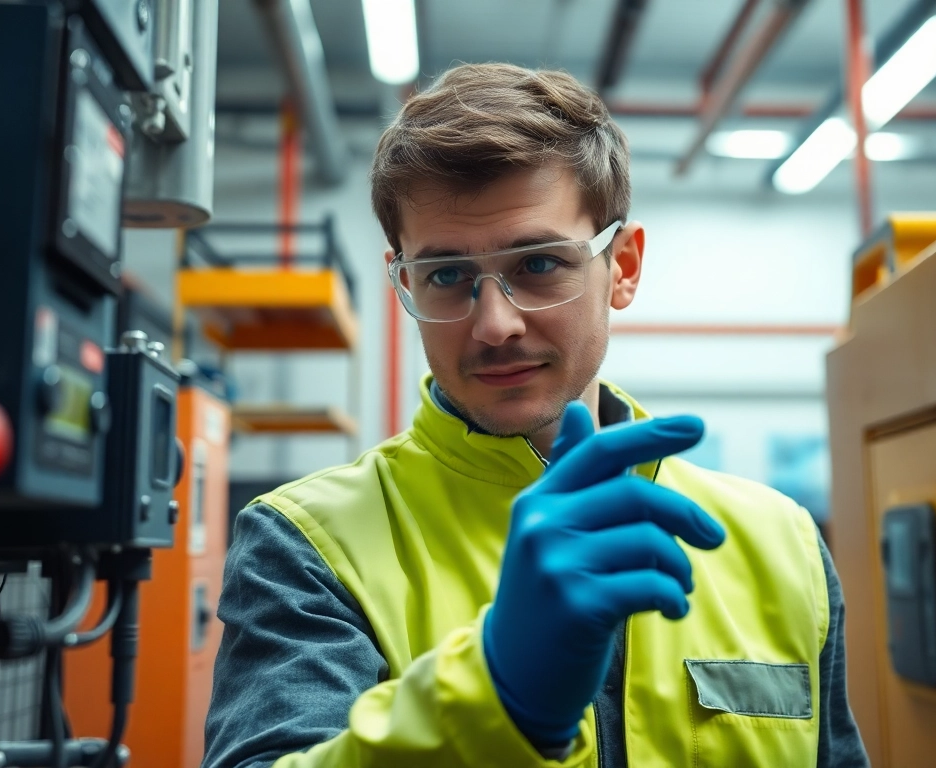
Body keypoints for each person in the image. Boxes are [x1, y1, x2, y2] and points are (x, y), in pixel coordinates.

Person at [202, 63, 869, 768]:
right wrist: (496, 699)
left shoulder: (782, 546)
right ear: (405, 280)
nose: (494, 324)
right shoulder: (305, 545)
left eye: (539, 265)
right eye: (447, 276)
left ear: (624, 267)